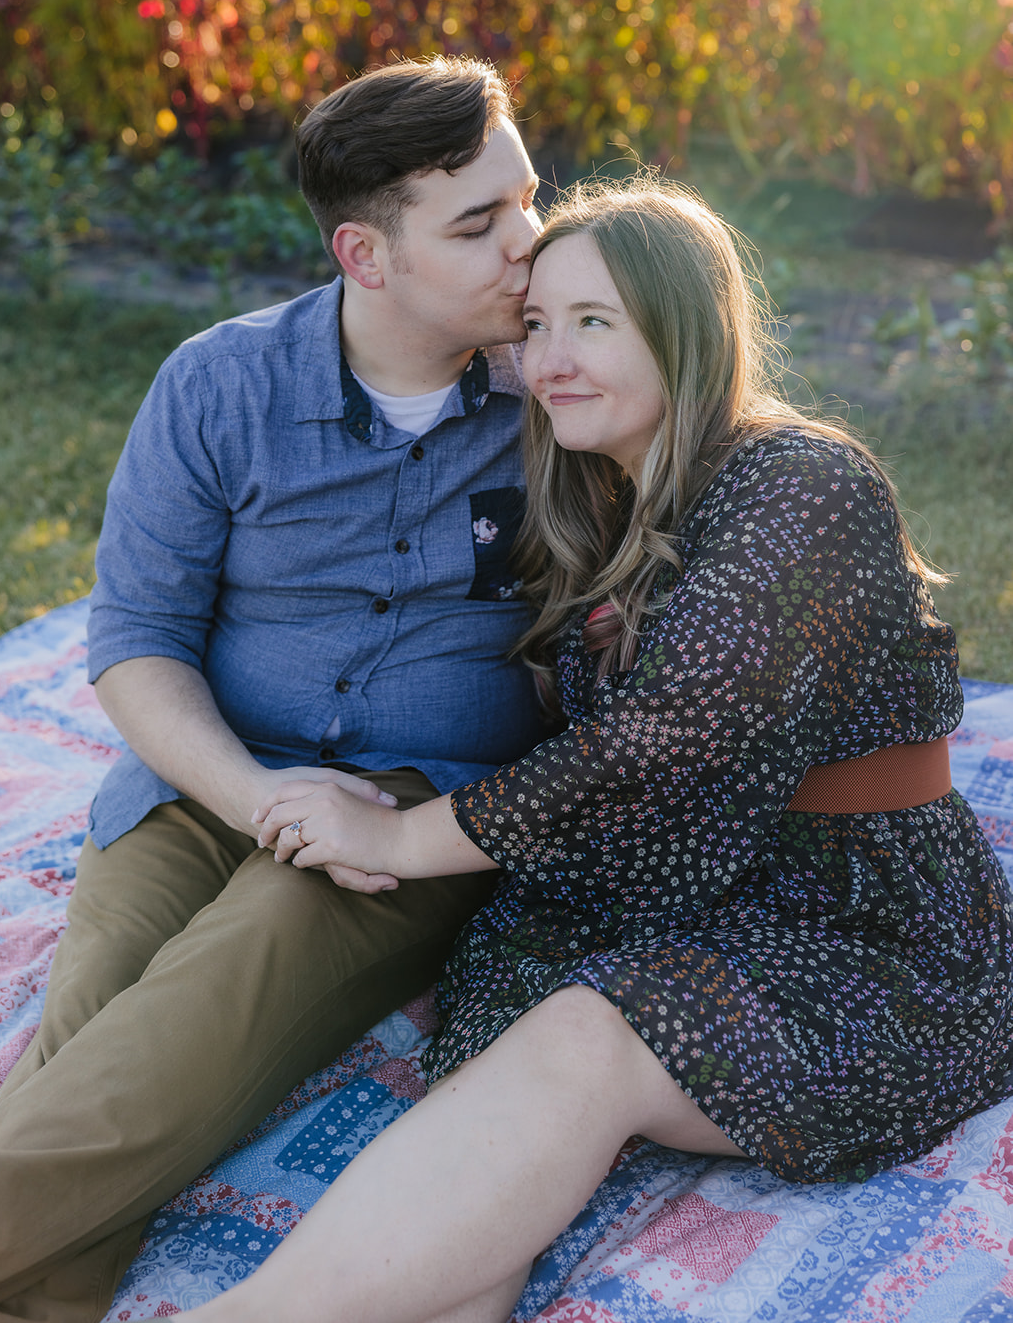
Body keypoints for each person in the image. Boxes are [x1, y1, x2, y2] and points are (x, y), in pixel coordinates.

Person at [159, 174, 1013, 1323]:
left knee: (581, 1037)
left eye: (593, 322)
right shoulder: (597, 506)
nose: (550, 356)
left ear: (686, 328)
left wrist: (405, 836)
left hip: (854, 924)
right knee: (497, 1092)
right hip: (661, 890)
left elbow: (669, 740)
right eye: (536, 324)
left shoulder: (803, 483)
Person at [0, 56, 551, 1323]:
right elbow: (136, 637)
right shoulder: (218, 386)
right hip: (199, 777)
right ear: (364, 254)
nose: (528, 246)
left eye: (528, 201)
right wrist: (257, 795)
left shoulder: (560, 394)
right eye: (480, 221)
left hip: (408, 813)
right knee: (103, 1017)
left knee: (221, 989)